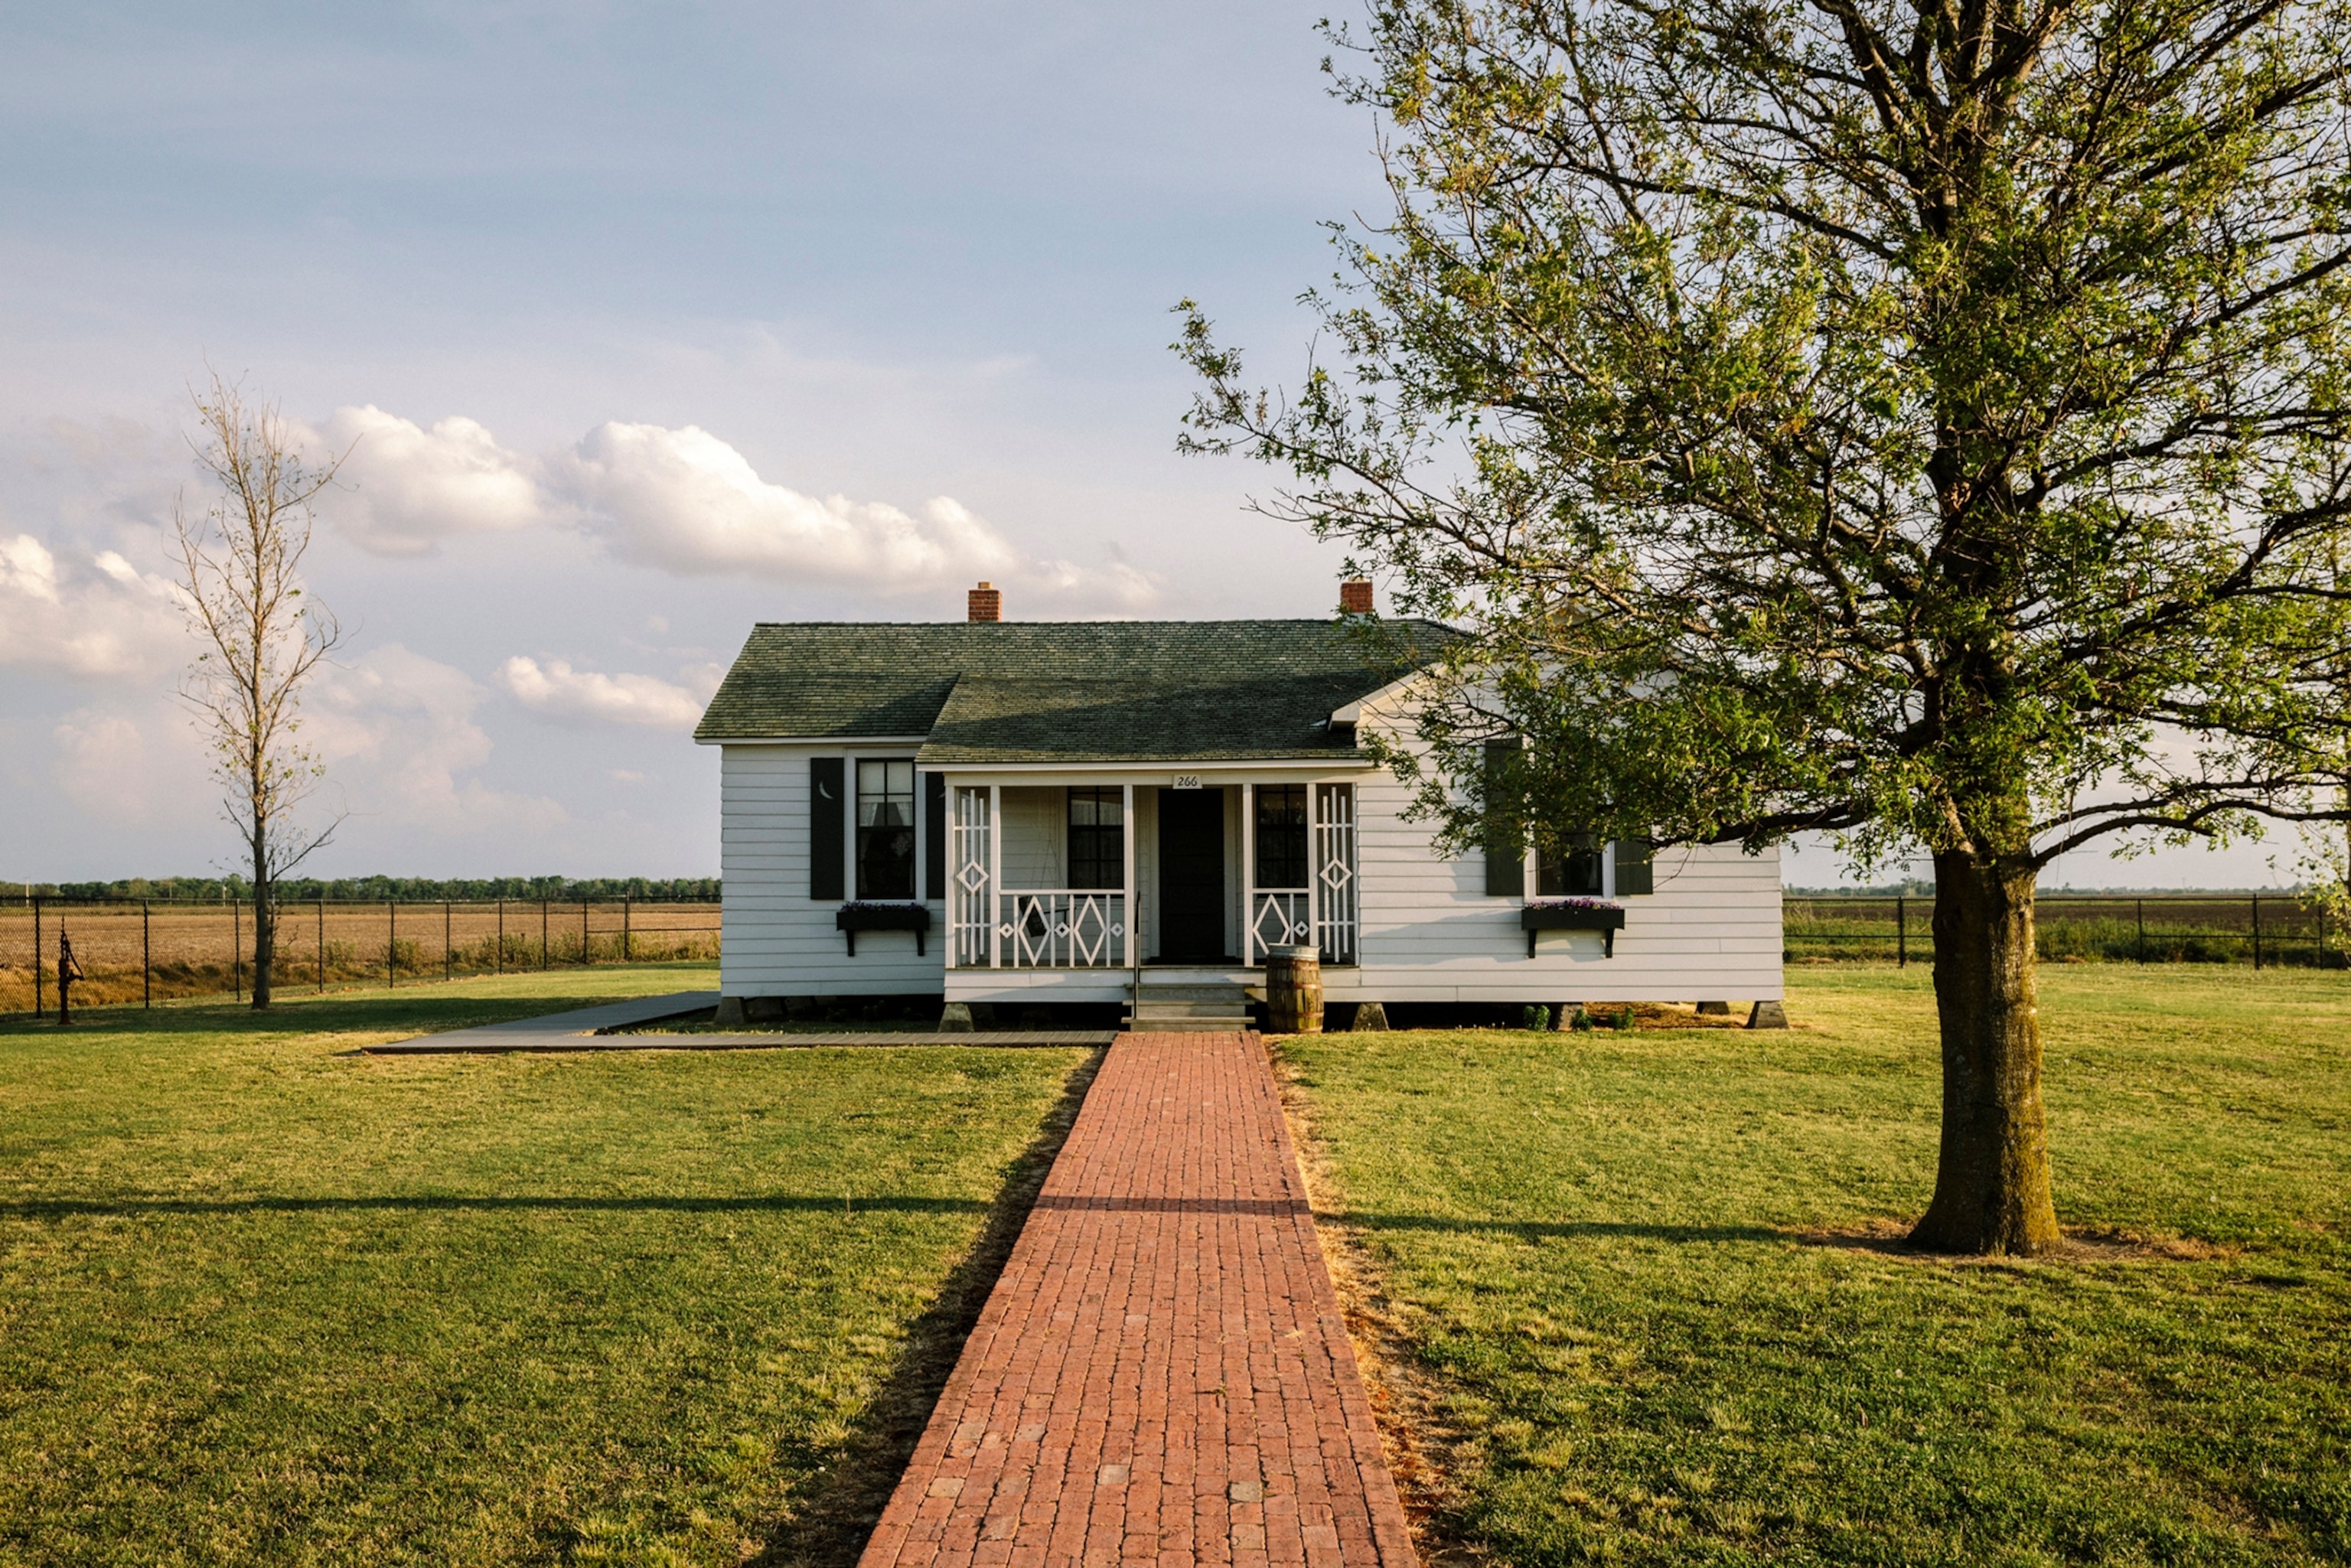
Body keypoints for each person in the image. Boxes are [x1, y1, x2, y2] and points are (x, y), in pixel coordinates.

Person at [57, 930, 84, 1027]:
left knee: (64, 987)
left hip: (64, 978)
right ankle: (64, 1018)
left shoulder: (66, 957)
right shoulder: (64, 959)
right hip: (64, 978)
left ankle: (65, 1018)